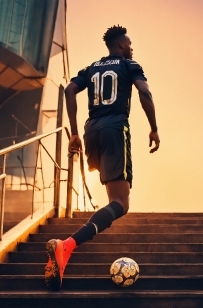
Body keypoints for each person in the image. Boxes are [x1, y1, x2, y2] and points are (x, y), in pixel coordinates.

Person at [45, 25, 160, 290]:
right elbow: (144, 92)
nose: (131, 48)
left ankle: (66, 250)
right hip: (114, 129)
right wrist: (153, 127)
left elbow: (69, 91)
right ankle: (67, 246)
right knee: (121, 202)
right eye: (129, 44)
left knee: (112, 200)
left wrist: (74, 133)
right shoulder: (130, 64)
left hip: (90, 132)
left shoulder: (91, 68)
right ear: (121, 45)